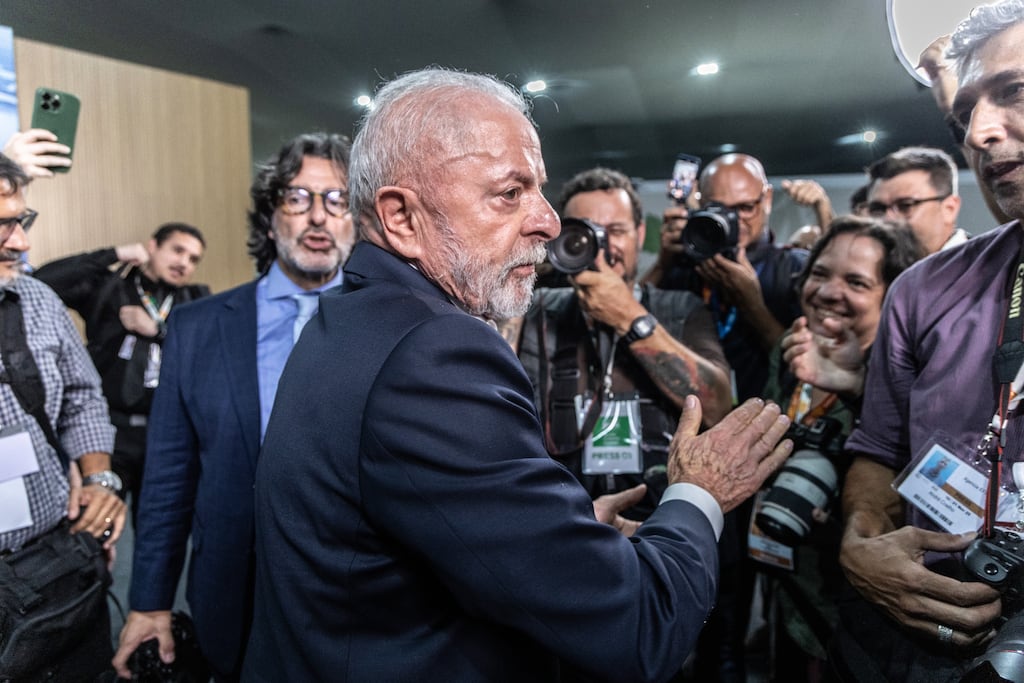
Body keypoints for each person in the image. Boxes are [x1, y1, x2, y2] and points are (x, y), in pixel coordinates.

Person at [243, 67, 793, 683]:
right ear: (401, 217)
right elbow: (640, 624)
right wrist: (699, 493)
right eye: (510, 194)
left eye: (538, 190)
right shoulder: (436, 350)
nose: (550, 223)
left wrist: (557, 539)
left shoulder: (354, 316)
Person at [111, 131, 354, 682]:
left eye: (338, 199)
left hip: (359, 600)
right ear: (271, 218)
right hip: (232, 592)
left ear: (356, 220)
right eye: (298, 197)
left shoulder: (391, 323)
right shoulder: (197, 328)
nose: (319, 216)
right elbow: (170, 476)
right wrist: (149, 601)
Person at [833, 2, 1024, 680]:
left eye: (1015, 93)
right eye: (968, 108)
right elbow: (879, 449)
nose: (978, 131)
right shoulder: (922, 289)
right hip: (925, 645)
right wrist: (859, 544)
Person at [645, 153, 808, 683]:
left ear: (766, 202)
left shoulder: (791, 267)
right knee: (696, 583)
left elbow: (802, 367)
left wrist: (752, 300)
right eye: (720, 208)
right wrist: (667, 260)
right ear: (698, 205)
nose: (735, 219)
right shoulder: (687, 259)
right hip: (687, 453)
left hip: (772, 454)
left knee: (758, 596)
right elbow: (639, 306)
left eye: (746, 207)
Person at [757, 216, 923, 682]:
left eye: (856, 282)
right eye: (820, 273)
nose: (829, 292)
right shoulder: (789, 353)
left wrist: (854, 387)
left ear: (892, 295)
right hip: (791, 590)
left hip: (863, 613)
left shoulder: (919, 375)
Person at [516, 166, 731, 523]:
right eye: (585, 232)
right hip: (564, 522)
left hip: (663, 522)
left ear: (640, 233)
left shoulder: (680, 308)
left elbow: (719, 407)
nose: (603, 246)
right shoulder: (535, 310)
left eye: (616, 231)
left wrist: (630, 318)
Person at [0, 152, 126, 680]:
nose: (21, 242)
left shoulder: (38, 300)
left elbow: (82, 396)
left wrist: (98, 480)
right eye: (2, 226)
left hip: (56, 560)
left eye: (21, 221)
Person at [34, 224, 209, 524]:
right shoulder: (111, 288)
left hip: (164, 433)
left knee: (158, 529)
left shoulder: (194, 300)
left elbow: (207, 352)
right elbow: (42, 281)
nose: (184, 263)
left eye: (193, 259)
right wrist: (113, 254)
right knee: (93, 523)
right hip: (109, 431)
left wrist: (159, 331)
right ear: (152, 246)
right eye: (178, 251)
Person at [865, 146, 969, 254]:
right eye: (878, 209)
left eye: (905, 206)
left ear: (949, 209)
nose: (887, 219)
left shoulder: (983, 267)